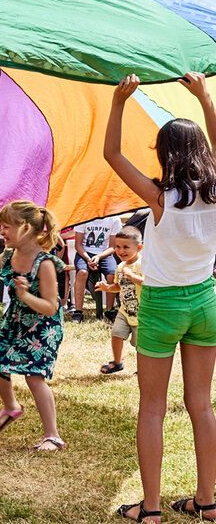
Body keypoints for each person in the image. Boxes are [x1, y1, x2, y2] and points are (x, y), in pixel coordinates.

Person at [106, 73, 216, 523]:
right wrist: (205, 98)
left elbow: (111, 154)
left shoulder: (159, 197)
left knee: (152, 407)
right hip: (207, 301)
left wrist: (118, 102)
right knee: (202, 405)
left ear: (165, 154)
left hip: (163, 303)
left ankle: (150, 509)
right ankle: (208, 501)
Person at [0, 201, 66, 452]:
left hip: (44, 325)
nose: (1, 231)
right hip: (16, 320)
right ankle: (11, 406)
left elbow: (51, 306)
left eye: (6, 226)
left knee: (34, 376)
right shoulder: (6, 256)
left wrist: (26, 296)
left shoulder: (45, 263)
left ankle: (52, 435)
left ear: (27, 228)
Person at [96, 227, 144, 375]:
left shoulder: (143, 264)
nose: (120, 250)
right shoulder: (120, 266)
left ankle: (143, 368)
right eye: (117, 246)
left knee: (141, 345)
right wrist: (108, 288)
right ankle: (117, 362)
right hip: (124, 310)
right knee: (116, 334)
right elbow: (119, 286)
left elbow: (147, 282)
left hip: (141, 313)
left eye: (125, 247)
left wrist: (132, 275)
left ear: (139, 247)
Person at [72, 215, 122, 322]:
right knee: (82, 272)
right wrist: (88, 258)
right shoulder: (83, 216)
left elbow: (112, 247)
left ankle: (110, 310)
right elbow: (78, 245)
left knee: (112, 274)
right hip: (84, 252)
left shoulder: (114, 219)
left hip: (105, 253)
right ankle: (78, 312)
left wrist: (99, 257)